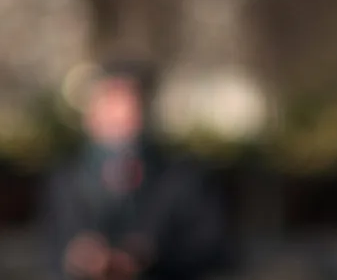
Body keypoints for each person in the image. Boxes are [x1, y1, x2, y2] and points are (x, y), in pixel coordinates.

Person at [44, 61, 230, 280]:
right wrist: (76, 255)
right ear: (90, 115)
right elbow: (50, 244)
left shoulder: (182, 178)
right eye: (109, 106)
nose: (118, 119)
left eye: (127, 108)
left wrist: (151, 255)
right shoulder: (66, 178)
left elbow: (215, 247)